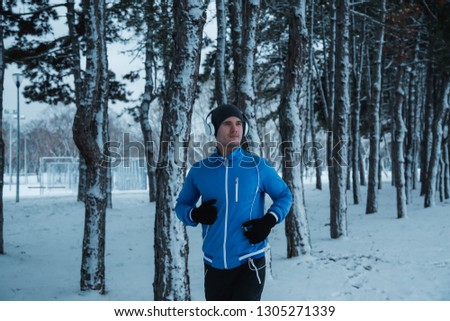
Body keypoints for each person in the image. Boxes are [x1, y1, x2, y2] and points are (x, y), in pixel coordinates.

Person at [175, 104, 292, 301]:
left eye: (239, 124)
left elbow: (285, 196)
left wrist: (268, 221)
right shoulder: (199, 170)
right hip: (213, 263)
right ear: (213, 129)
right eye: (227, 123)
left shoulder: (258, 166)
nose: (235, 129)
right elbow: (181, 206)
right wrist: (194, 214)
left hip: (250, 261)